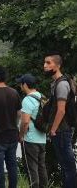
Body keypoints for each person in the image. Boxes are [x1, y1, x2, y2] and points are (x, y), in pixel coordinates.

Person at [44, 53, 77, 187]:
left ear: (57, 65)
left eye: (48, 63)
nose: (45, 66)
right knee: (64, 165)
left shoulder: (62, 84)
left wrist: (53, 129)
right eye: (44, 63)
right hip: (61, 130)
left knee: (68, 166)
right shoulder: (56, 83)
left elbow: (61, 110)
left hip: (62, 130)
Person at [17, 73, 48, 188]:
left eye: (21, 83)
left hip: (30, 139)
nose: (20, 86)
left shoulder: (27, 99)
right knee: (41, 167)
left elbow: (25, 122)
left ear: (25, 84)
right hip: (42, 138)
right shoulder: (43, 97)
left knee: (31, 169)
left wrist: (21, 136)